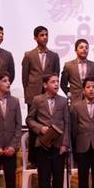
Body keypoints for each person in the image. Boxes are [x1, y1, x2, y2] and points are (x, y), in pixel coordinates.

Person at [28, 74, 70, 188]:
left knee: (58, 176)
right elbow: (29, 119)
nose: (56, 84)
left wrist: (65, 143)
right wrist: (40, 128)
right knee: (44, 176)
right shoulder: (37, 100)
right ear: (45, 85)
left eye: (57, 81)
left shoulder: (63, 101)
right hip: (42, 143)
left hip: (58, 144)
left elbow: (67, 123)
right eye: (53, 82)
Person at [22, 26, 61, 168]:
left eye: (46, 35)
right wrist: (28, 95)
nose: (45, 37)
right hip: (33, 95)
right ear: (35, 38)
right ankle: (34, 159)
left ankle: (49, 156)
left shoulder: (54, 56)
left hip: (49, 95)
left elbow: (56, 74)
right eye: (41, 35)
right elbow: (25, 77)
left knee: (50, 125)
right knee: (34, 127)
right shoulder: (29, 55)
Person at [60, 38, 94, 102]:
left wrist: (92, 94)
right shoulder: (68, 65)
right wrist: (70, 95)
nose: (84, 49)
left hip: (89, 101)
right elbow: (63, 84)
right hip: (74, 101)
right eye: (81, 47)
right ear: (75, 50)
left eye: (86, 48)